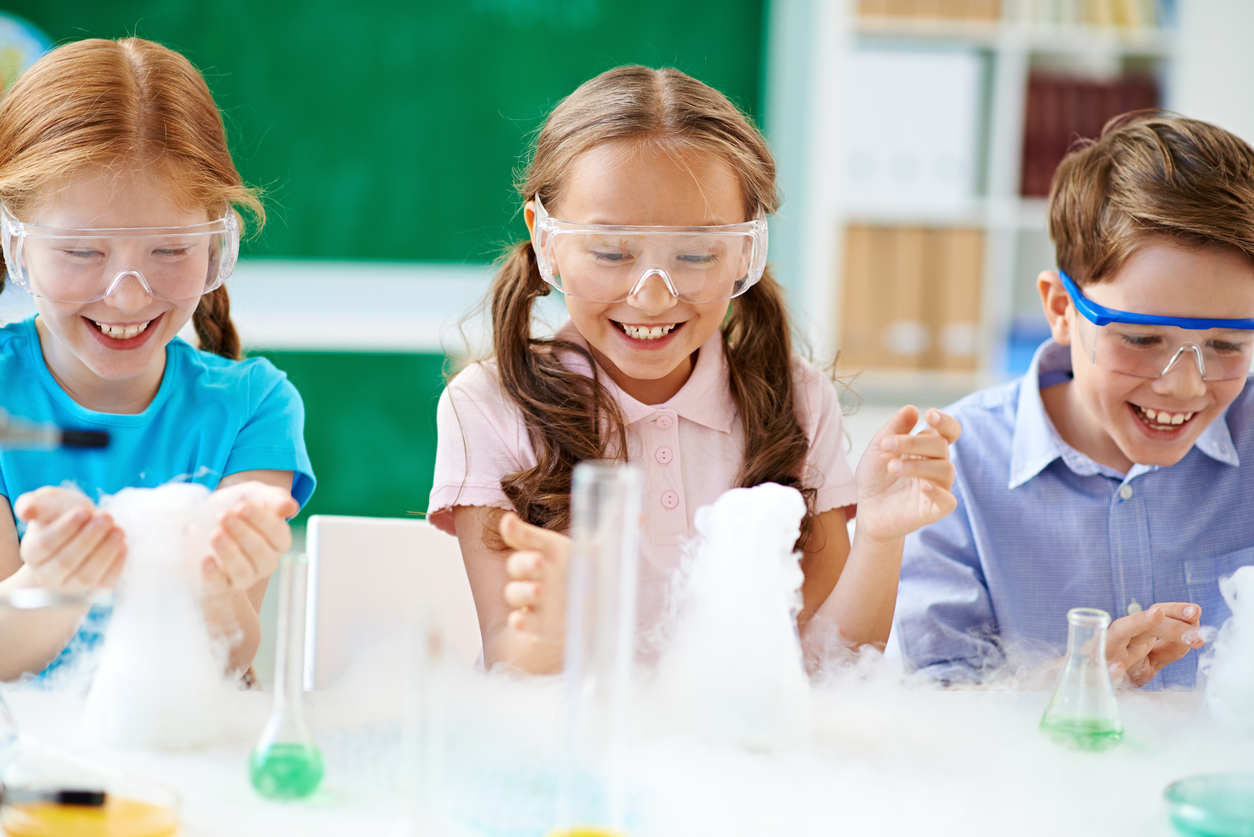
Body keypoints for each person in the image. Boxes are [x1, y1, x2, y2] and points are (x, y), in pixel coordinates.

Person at [428, 65, 960, 675]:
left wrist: (882, 537)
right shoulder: (489, 405)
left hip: (738, 763)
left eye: (696, 254)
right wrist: (553, 631)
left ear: (743, 250)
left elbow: (830, 670)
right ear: (546, 241)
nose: (652, 297)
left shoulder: (797, 397)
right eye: (609, 252)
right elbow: (507, 664)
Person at [896, 113, 1254, 690]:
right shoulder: (956, 469)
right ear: (1062, 309)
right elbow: (937, 705)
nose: (1184, 386)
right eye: (1140, 339)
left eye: (1227, 345)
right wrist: (1072, 684)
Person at [0, 38, 315, 681]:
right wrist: (54, 581)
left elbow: (229, 660)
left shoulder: (254, 407)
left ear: (216, 242)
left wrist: (220, 586)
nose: (129, 295)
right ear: (17, 246)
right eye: (83, 252)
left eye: (171, 251)